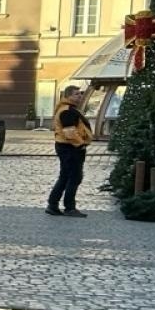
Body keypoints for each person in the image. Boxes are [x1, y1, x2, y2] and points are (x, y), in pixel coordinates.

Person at [47, 84, 92, 218]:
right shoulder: (67, 110)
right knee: (74, 177)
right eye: (76, 94)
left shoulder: (69, 108)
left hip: (67, 147)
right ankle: (69, 207)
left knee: (66, 176)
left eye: (80, 94)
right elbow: (69, 131)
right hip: (70, 148)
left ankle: (53, 205)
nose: (80, 96)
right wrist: (80, 145)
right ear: (68, 96)